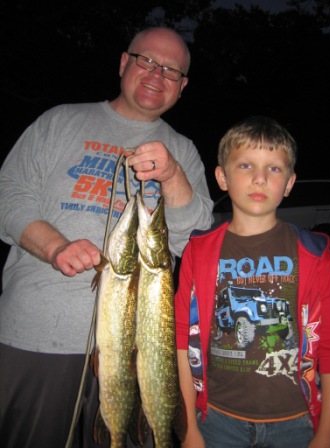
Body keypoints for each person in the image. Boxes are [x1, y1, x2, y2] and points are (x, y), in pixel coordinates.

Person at [0, 27, 213, 448]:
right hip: (39, 334)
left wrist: (171, 175)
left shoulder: (183, 151)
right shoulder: (60, 121)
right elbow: (9, 197)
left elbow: (197, 239)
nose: (157, 74)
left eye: (171, 70)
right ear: (123, 63)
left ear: (182, 86)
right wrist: (55, 246)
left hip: (141, 356)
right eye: (146, 60)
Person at [175, 116, 330, 448]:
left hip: (296, 422)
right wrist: (189, 425)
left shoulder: (316, 255)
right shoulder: (199, 251)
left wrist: (328, 431)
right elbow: (181, 340)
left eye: (274, 169)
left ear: (289, 183)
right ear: (223, 177)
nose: (260, 178)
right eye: (246, 165)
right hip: (217, 420)